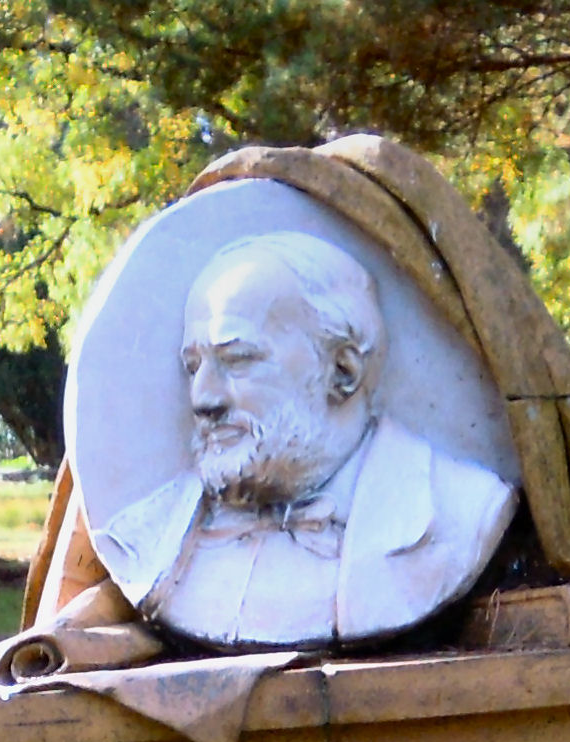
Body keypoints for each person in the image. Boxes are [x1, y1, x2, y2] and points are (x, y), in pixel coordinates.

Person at [91, 231, 517, 649]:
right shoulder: (146, 540)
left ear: (343, 371)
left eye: (238, 360)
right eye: (193, 366)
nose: (204, 399)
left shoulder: (463, 514)